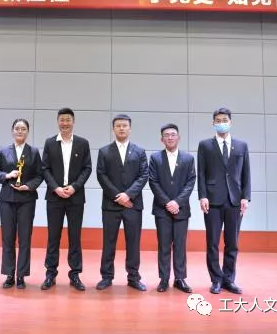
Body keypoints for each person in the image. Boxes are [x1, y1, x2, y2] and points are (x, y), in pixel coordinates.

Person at [197, 108, 251, 295]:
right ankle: (216, 280)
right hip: (212, 200)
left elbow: (246, 173)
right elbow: (201, 172)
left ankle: (229, 279)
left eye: (225, 120)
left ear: (231, 122)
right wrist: (202, 196)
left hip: (235, 200)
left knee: (232, 243)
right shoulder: (205, 145)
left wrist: (245, 197)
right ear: (213, 123)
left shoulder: (241, 146)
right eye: (218, 120)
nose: (222, 123)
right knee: (212, 242)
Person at [40, 108, 92, 291]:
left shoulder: (82, 143)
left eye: (68, 120)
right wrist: (55, 188)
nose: (65, 123)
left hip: (75, 197)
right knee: (53, 237)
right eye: (62, 120)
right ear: (58, 122)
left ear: (73, 122)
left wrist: (74, 187)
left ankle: (75, 274)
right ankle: (50, 274)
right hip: (54, 197)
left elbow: (87, 168)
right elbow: (45, 168)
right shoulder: (50, 143)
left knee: (74, 237)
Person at [96, 114, 148, 291]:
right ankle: (106, 277)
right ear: (113, 129)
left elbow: (143, 175)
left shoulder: (139, 151)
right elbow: (101, 175)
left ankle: (133, 277)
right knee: (108, 242)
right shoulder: (104, 151)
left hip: (133, 205)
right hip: (111, 205)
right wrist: (118, 196)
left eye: (125, 125)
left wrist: (128, 195)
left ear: (130, 129)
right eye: (118, 125)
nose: (121, 128)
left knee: (133, 242)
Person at [0, 119, 43, 289]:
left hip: (27, 199)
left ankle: (21, 275)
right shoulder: (3, 151)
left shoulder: (33, 152)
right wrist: (7, 176)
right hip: (7, 199)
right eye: (17, 128)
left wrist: (29, 186)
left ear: (27, 132)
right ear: (12, 131)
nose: (20, 131)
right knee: (8, 237)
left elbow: (40, 175)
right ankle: (9, 274)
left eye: (23, 129)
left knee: (25, 238)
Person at [148, 123, 196, 293]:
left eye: (173, 134)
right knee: (163, 245)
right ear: (161, 139)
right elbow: (153, 181)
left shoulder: (188, 158)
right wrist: (167, 202)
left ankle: (180, 279)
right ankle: (164, 279)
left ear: (178, 137)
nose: (170, 137)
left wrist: (177, 202)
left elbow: (191, 182)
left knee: (180, 245)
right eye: (166, 135)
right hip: (162, 210)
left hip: (181, 209)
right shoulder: (155, 158)